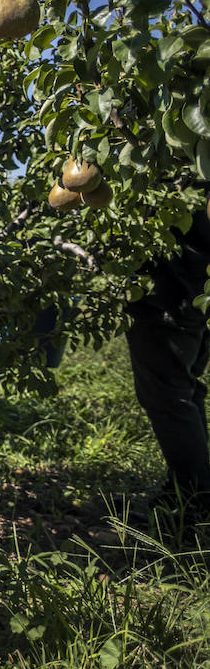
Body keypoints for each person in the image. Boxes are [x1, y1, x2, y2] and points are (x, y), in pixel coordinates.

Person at [125, 206, 210, 521]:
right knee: (183, 389)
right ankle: (189, 491)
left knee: (167, 394)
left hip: (175, 283)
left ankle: (193, 506)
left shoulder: (176, 166)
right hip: (196, 279)